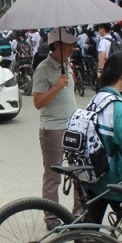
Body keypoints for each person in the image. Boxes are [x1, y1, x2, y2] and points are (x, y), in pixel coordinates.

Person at [83, 52, 122, 224]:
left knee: (90, 227)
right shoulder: (115, 104)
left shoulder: (97, 98)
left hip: (96, 173)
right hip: (114, 176)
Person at [33, 28, 81, 218]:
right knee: (53, 177)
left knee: (79, 173)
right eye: (69, 44)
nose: (72, 48)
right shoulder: (43, 69)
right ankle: (52, 217)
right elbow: (37, 102)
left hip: (73, 127)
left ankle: (78, 215)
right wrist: (56, 87)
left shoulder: (67, 63)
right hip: (52, 129)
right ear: (57, 45)